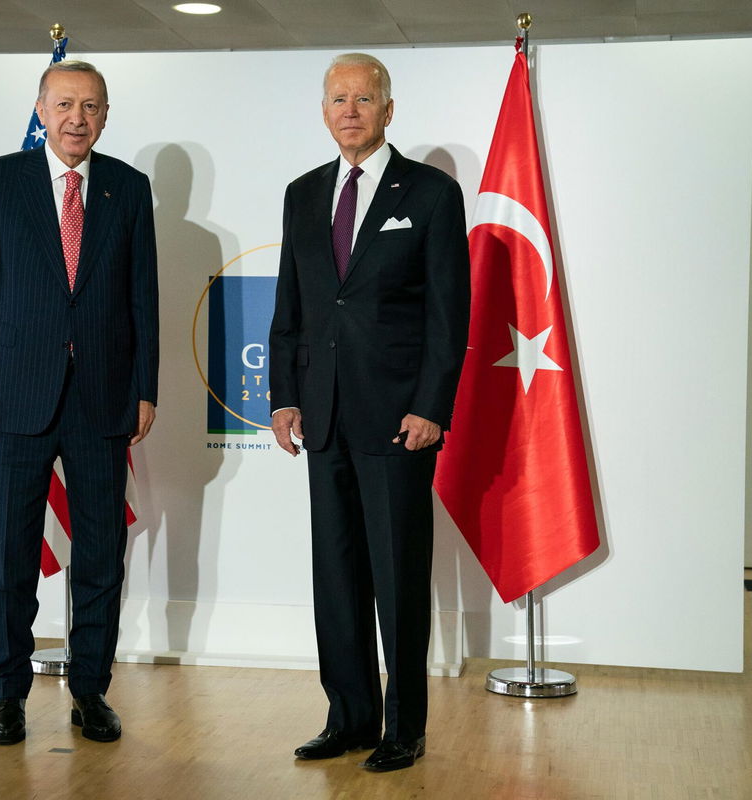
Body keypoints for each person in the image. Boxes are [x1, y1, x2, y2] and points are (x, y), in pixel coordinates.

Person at [268, 53, 470, 772]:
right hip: (321, 416)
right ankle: (347, 717)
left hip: (397, 422)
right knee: (338, 576)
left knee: (398, 579)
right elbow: (291, 302)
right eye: (337, 98)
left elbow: (451, 316)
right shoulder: (302, 193)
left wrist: (431, 407)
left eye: (363, 97)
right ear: (324, 111)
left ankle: (403, 728)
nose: (349, 109)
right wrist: (284, 395)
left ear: (389, 109)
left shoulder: (433, 193)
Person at [0, 60, 158, 746]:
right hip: (15, 399)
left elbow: (142, 300)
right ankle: (7, 693)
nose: (78, 118)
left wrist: (146, 389)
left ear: (106, 115)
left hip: (102, 399)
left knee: (102, 555)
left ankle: (90, 691)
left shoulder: (128, 189)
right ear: (40, 110)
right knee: (8, 553)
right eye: (65, 104)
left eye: (91, 106)